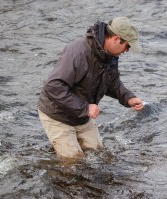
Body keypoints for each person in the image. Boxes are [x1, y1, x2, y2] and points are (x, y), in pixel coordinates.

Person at [38, 17, 144, 160]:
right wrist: (85, 108)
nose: (127, 50)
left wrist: (128, 98)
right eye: (127, 46)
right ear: (116, 38)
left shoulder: (110, 56)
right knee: (74, 161)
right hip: (57, 114)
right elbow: (53, 87)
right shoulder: (77, 52)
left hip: (82, 115)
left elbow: (112, 83)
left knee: (99, 154)